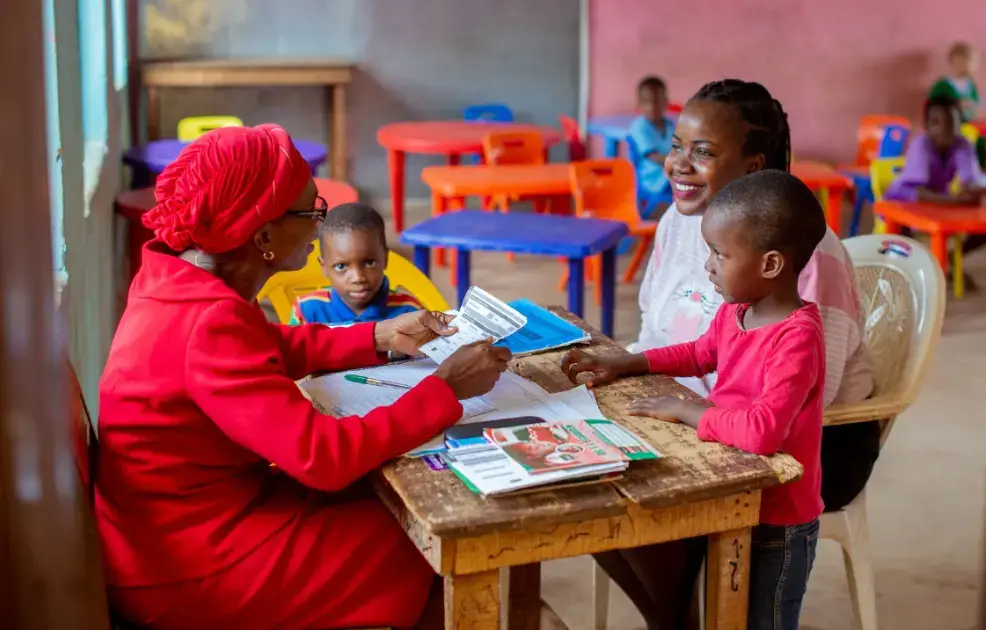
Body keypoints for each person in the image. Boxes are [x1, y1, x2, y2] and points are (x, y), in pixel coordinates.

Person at [96, 124, 512, 630]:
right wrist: (444, 389)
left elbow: (267, 347)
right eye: (311, 212)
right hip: (188, 569)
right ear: (264, 237)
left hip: (174, 532)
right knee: (425, 537)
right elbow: (322, 457)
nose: (320, 224)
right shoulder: (208, 323)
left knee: (396, 498)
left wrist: (376, 336)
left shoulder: (178, 280)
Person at [573, 79, 876, 630]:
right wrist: (630, 364)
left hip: (801, 452)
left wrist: (690, 416)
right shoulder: (688, 232)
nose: (678, 165)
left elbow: (798, 407)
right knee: (591, 483)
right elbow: (691, 344)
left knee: (653, 508)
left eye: (704, 152)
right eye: (676, 146)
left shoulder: (805, 272)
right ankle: (676, 619)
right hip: (715, 422)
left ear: (755, 164)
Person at [564, 169, 828, 630]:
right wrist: (629, 362)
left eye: (720, 253)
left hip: (778, 516)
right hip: (729, 485)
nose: (708, 265)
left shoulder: (797, 338)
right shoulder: (738, 309)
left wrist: (690, 411)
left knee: (758, 621)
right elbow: (700, 353)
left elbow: (763, 431)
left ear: (770, 265)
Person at [884, 95, 986, 272]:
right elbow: (919, 192)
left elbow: (971, 181)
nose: (945, 129)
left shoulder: (963, 145)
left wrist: (974, 191)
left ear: (960, 125)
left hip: (938, 203)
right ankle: (914, 271)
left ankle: (949, 259)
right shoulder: (921, 145)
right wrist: (957, 201)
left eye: (951, 123)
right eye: (937, 123)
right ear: (927, 126)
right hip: (903, 201)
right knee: (905, 240)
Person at [290, 202, 422, 326]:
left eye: (369, 263)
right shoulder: (306, 312)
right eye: (341, 266)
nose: (358, 278)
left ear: (385, 259)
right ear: (324, 267)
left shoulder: (410, 312)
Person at [629, 76, 675, 196]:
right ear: (639, 104)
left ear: (666, 101)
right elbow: (652, 156)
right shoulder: (639, 127)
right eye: (646, 102)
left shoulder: (670, 125)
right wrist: (677, 163)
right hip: (652, 179)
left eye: (657, 101)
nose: (652, 106)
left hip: (671, 173)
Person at [929, 42, 981, 123]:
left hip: (968, 127)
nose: (973, 66)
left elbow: (976, 105)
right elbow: (934, 108)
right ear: (955, 61)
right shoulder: (943, 85)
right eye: (970, 60)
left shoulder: (971, 86)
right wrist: (956, 104)